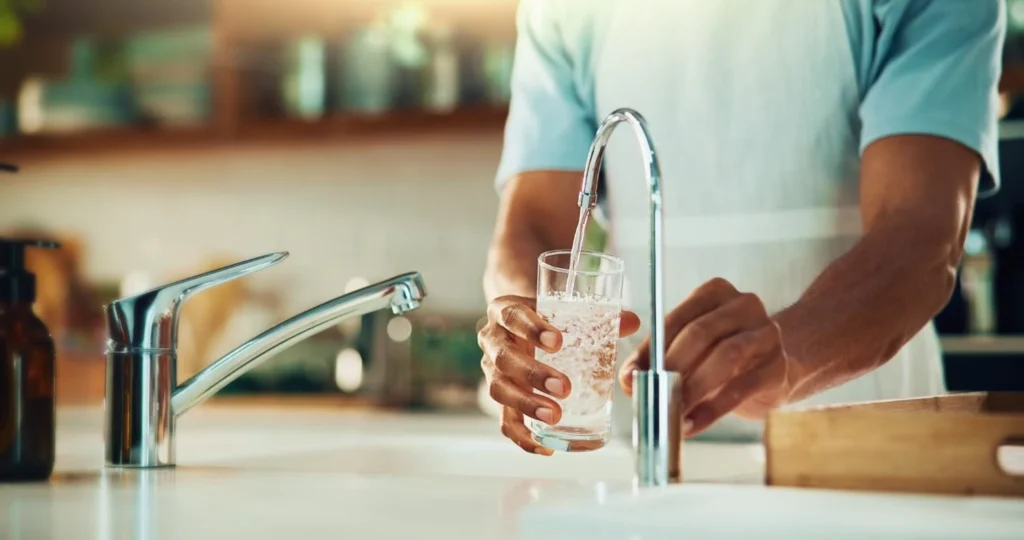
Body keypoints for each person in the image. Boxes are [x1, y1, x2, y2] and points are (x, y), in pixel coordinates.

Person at [477, 0, 1007, 455]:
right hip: (648, 448)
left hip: (864, 445)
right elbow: (534, 220)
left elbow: (920, 237)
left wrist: (788, 353)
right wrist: (521, 327)